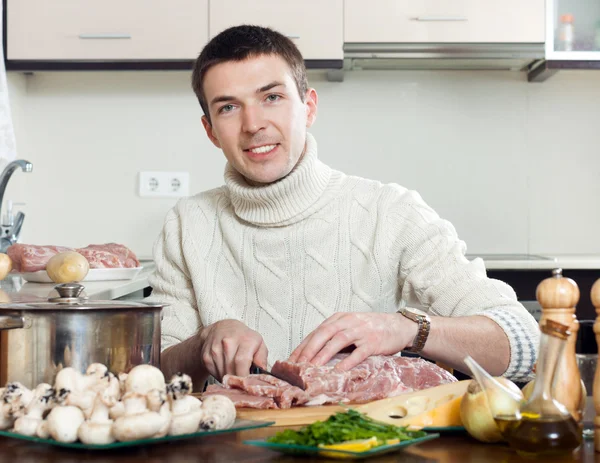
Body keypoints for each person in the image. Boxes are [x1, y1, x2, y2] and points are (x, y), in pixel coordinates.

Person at [147, 25, 539, 390]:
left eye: (272, 97)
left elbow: (524, 343)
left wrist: (406, 330)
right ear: (211, 130)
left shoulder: (391, 212)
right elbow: (152, 375)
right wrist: (202, 341)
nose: (253, 123)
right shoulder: (187, 225)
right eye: (229, 107)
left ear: (309, 107)